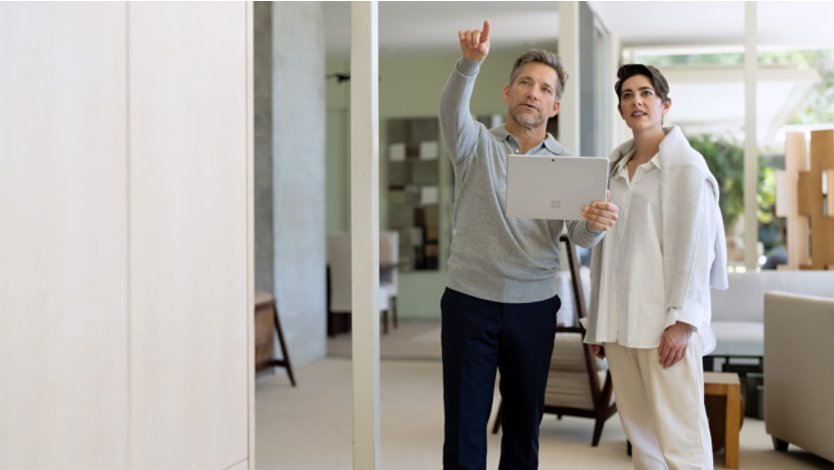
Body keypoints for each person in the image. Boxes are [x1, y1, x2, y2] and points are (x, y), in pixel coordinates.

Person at [439, 20, 619, 470]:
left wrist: (595, 224)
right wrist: (468, 63)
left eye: (543, 88)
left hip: (534, 306)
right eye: (525, 82)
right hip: (468, 301)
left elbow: (577, 236)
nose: (532, 92)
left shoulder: (569, 164)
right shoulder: (473, 144)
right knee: (464, 427)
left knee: (523, 427)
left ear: (554, 104)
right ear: (507, 92)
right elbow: (449, 110)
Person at [581, 64, 729, 469]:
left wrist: (682, 322)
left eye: (645, 93)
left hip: (666, 325)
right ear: (620, 109)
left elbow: (700, 252)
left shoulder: (687, 169)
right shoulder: (612, 171)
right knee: (640, 438)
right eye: (627, 95)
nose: (636, 101)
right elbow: (605, 253)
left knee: (682, 438)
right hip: (620, 325)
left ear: (665, 104)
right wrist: (598, 321)